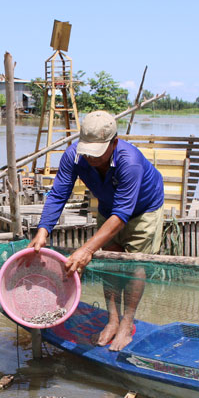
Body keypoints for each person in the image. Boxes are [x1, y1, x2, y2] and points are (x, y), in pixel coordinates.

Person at [27, 110, 164, 351]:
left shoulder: (128, 161)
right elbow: (58, 194)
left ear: (113, 143)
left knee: (134, 266)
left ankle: (126, 324)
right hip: (109, 205)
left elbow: (122, 215)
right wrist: (43, 230)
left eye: (97, 152)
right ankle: (112, 320)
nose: (91, 157)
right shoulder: (75, 156)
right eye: (87, 150)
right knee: (110, 263)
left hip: (143, 209)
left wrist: (87, 249)